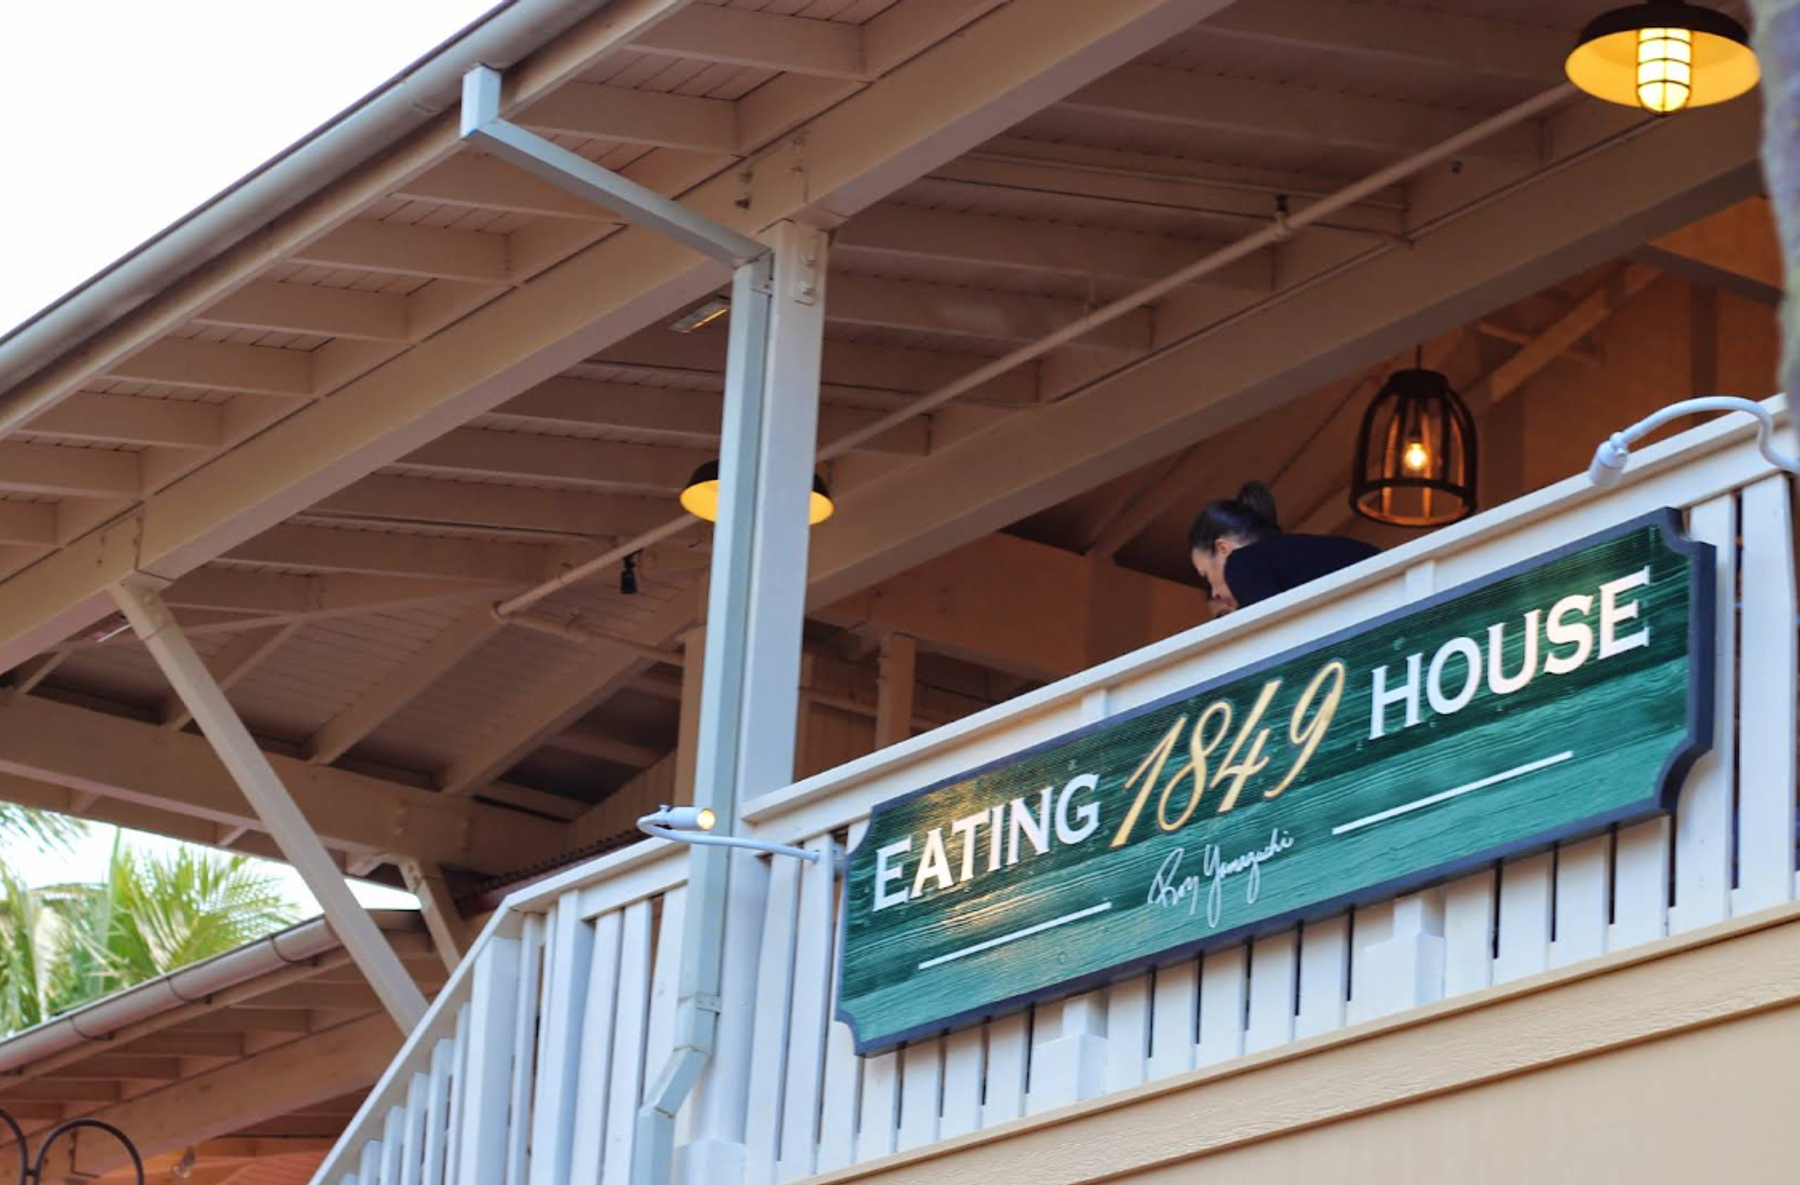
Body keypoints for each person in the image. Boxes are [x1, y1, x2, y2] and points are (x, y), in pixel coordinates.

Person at [1189, 482, 1377, 616]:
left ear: (1223, 549)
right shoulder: (1303, 552)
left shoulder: (1242, 561)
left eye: (1206, 575)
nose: (1214, 593)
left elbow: (1271, 635)